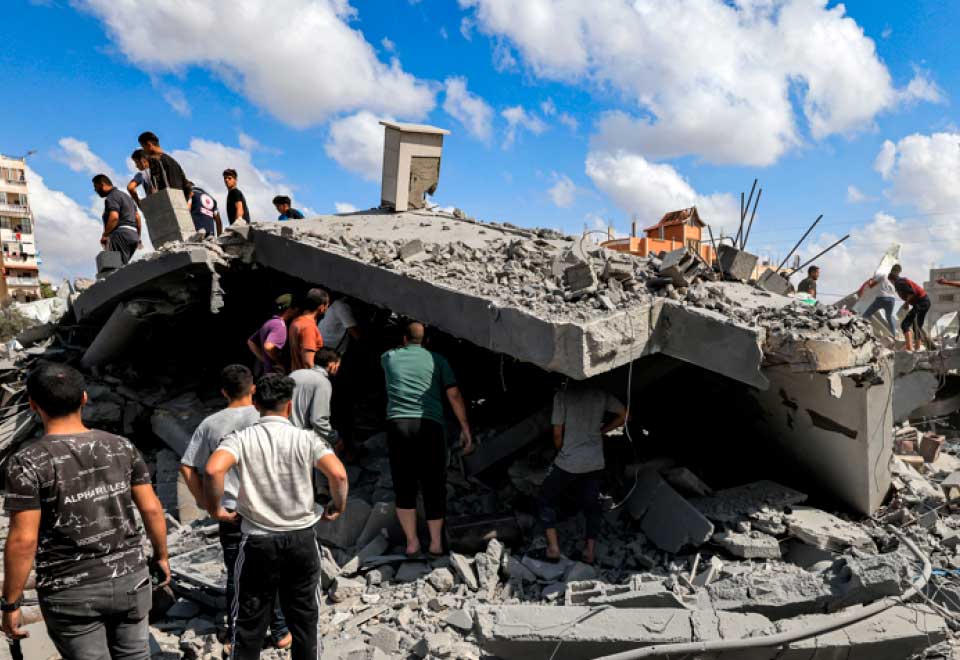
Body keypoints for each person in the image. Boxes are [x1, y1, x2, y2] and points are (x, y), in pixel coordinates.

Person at [1, 362, 170, 658]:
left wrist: (10, 603)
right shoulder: (121, 446)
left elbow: (23, 540)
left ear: (33, 404)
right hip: (131, 580)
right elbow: (152, 510)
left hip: (70, 593)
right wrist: (161, 557)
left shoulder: (27, 462)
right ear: (84, 398)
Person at [205, 374, 349, 660]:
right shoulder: (307, 438)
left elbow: (213, 469)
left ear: (256, 404)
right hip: (301, 539)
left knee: (248, 623)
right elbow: (339, 474)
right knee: (305, 620)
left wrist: (215, 509)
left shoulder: (240, 438)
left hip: (257, 541)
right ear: (289, 405)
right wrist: (337, 505)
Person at [179, 365, 291, 654]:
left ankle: (235, 634)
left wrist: (207, 503)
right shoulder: (268, 417)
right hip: (270, 507)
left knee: (237, 574)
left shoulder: (210, 424)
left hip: (232, 511)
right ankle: (280, 630)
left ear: (223, 392)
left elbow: (187, 467)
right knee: (273, 569)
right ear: (253, 388)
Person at [381, 322, 473, 556]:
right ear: (427, 341)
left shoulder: (388, 357)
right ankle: (435, 544)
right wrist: (465, 428)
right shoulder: (438, 360)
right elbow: (454, 394)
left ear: (404, 339)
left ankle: (412, 543)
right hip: (430, 425)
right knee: (434, 484)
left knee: (404, 484)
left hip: (399, 425)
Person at [538, 382, 626, 565]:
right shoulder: (601, 393)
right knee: (592, 505)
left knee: (546, 498)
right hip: (594, 462)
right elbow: (624, 414)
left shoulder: (562, 396)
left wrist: (561, 452)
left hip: (569, 462)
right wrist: (602, 431)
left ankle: (553, 548)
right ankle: (590, 552)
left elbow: (557, 433)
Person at [93, 173, 142, 265]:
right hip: (133, 236)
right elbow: (137, 218)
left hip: (120, 235)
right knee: (123, 266)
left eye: (96, 187)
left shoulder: (112, 196)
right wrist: (138, 237)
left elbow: (114, 217)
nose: (95, 190)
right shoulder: (126, 197)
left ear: (102, 184)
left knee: (113, 267)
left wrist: (105, 235)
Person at [248, 294, 299, 375]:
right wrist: (278, 362)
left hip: (267, 374)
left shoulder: (270, 322)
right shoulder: (279, 325)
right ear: (290, 309)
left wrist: (264, 359)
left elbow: (250, 342)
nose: (298, 310)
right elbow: (268, 347)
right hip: (274, 375)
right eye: (296, 307)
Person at [889, 264, 932, 352]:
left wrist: (906, 303)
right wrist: (908, 302)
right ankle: (917, 348)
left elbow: (911, 293)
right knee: (917, 326)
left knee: (905, 324)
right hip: (924, 302)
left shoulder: (899, 283)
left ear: (891, 280)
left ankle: (909, 348)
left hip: (921, 303)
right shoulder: (901, 281)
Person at [138, 131, 191, 199]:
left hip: (169, 201)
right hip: (180, 202)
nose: (144, 151)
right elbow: (187, 187)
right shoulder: (173, 162)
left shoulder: (157, 161)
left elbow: (161, 187)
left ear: (149, 144)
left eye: (143, 147)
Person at [289, 288, 329, 371]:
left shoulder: (297, 320)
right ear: (321, 307)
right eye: (327, 306)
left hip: (295, 373)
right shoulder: (308, 327)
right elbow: (308, 362)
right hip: (304, 376)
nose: (327, 309)